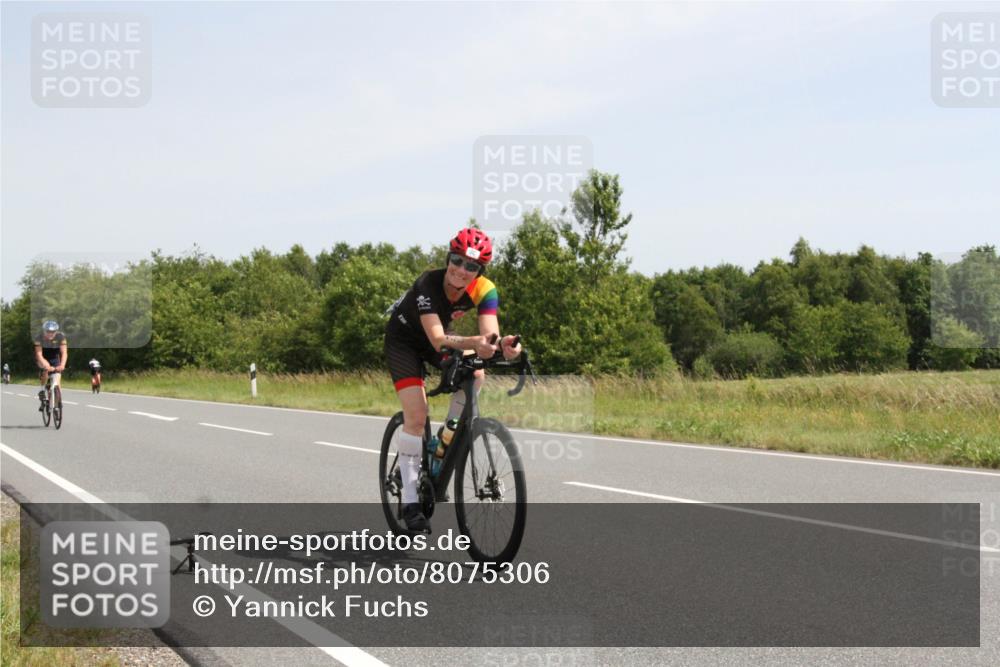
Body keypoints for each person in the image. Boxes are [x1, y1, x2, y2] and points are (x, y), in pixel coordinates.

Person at [384, 227, 522, 532]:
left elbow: (489, 336)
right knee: (416, 416)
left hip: (441, 339)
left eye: (471, 266)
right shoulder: (427, 284)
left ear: (479, 271)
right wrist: (475, 342)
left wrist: (504, 345)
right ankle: (410, 501)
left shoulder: (485, 289)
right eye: (457, 261)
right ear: (448, 258)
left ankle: (446, 436)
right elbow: (437, 339)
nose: (461, 270)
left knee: (477, 372)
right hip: (405, 342)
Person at [34, 320, 68, 411]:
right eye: (48, 331)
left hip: (54, 359)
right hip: (42, 358)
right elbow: (39, 354)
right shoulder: (39, 338)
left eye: (52, 332)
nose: (50, 334)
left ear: (56, 331)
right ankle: (42, 390)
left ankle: (56, 404)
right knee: (45, 369)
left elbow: (64, 353)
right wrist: (46, 365)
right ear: (44, 331)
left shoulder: (61, 337)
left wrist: (62, 365)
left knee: (57, 381)